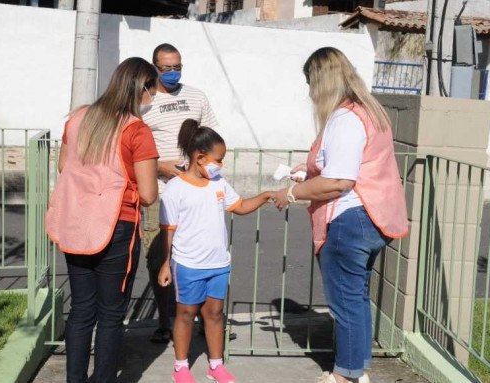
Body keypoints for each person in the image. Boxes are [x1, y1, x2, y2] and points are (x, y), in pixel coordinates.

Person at [271, 47, 409, 383]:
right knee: (356, 298)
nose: (309, 92)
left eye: (310, 83)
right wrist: (310, 170)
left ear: (321, 81)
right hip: (373, 216)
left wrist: (289, 194)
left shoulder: (345, 118)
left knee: (345, 303)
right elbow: (348, 166)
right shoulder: (368, 111)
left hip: (350, 219)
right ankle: (357, 369)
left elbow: (338, 182)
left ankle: (344, 376)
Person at [45, 57, 160, 383]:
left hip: (76, 221)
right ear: (143, 88)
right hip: (117, 226)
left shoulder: (78, 117)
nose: (152, 98)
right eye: (152, 90)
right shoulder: (137, 131)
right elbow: (149, 194)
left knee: (81, 309)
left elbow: (63, 167)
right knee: (111, 315)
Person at [158, 119, 274, 383]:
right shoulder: (175, 189)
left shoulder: (219, 183)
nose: (220, 165)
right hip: (187, 265)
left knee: (215, 314)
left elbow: (241, 206)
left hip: (218, 264)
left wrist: (266, 195)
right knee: (186, 315)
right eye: (218, 159)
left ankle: (215, 365)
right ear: (200, 157)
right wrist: (166, 264)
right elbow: (168, 230)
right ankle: (181, 366)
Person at [141, 43, 223, 344]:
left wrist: (204, 170)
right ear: (154, 68)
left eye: (178, 67)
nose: (173, 72)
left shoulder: (196, 97)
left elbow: (214, 140)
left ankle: (204, 319)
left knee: (200, 257)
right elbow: (133, 147)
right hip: (159, 192)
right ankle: (165, 322)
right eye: (166, 68)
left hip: (196, 194)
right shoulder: (144, 103)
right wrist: (158, 166)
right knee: (160, 256)